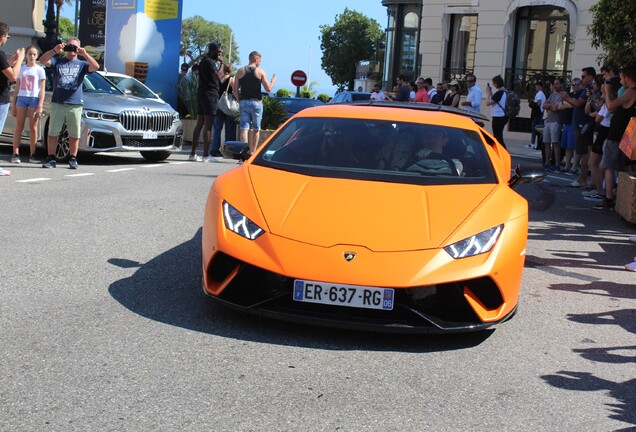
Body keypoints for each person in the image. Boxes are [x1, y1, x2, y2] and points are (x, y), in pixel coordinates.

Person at [38, 37, 99, 169]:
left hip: (75, 103)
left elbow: (95, 66)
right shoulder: (58, 61)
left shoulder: (82, 64)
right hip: (58, 102)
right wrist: (55, 50)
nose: (72, 49)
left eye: (75, 47)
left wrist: (85, 54)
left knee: (74, 133)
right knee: (53, 131)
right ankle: (51, 158)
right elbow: (42, 60)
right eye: (70, 46)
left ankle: (73, 158)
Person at [595, 65, 636, 210]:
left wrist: (606, 92)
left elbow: (611, 107)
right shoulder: (629, 92)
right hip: (625, 134)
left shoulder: (631, 91)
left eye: (623, 77)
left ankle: (608, 197)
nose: (620, 79)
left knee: (609, 166)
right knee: (623, 167)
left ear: (629, 78)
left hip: (617, 134)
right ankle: (620, 196)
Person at [233, 50, 276, 154]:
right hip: (256, 103)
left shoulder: (240, 71)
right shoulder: (260, 72)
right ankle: (252, 152)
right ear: (256, 58)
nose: (260, 63)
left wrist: (240, 100)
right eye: (259, 60)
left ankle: (244, 152)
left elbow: (235, 90)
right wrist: (273, 80)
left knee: (244, 129)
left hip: (244, 102)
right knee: (256, 129)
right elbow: (268, 89)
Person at [561, 67, 596, 188]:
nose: (582, 79)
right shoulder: (585, 89)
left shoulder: (589, 90)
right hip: (581, 124)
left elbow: (578, 103)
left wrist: (566, 97)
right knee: (583, 153)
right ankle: (584, 179)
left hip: (582, 125)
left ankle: (582, 179)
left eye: (583, 76)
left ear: (590, 77)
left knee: (584, 153)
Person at [10, 45, 45, 164]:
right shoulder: (22, 69)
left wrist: (40, 105)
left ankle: (32, 154)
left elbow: (42, 90)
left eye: (34, 54)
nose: (32, 56)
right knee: (19, 127)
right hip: (22, 98)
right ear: (26, 55)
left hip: (34, 98)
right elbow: (17, 88)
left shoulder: (40, 70)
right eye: (30, 53)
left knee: (33, 128)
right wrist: (13, 105)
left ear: (37, 56)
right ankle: (15, 153)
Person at [191, 42, 224, 162]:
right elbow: (218, 77)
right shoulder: (211, 62)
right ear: (213, 51)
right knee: (208, 125)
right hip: (210, 95)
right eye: (219, 52)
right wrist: (222, 66)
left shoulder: (203, 61)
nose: (220, 54)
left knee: (199, 123)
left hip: (201, 94)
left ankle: (193, 153)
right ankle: (206, 155)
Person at [0, 22, 25, 134]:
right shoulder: (0, 54)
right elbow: (13, 76)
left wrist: (9, 62)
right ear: (2, 37)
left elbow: (3, 69)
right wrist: (20, 59)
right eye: (7, 37)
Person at [210, 63, 236, 160]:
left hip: (218, 104)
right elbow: (235, 92)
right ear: (231, 70)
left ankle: (214, 150)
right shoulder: (231, 80)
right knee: (230, 129)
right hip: (227, 106)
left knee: (217, 129)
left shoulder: (218, 79)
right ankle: (229, 150)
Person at [541, 79, 563, 171]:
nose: (555, 86)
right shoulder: (552, 94)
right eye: (554, 84)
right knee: (546, 142)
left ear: (561, 84)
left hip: (556, 121)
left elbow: (555, 108)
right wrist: (550, 105)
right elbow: (544, 105)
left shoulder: (562, 95)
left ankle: (557, 164)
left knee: (555, 143)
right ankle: (547, 162)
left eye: (557, 84)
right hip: (548, 121)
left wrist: (549, 105)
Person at [485, 75, 508, 149]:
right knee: (498, 135)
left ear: (496, 83)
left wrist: (488, 93)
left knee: (497, 137)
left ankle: (503, 152)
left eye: (493, 83)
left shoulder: (499, 93)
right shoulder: (505, 91)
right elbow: (495, 100)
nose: (492, 84)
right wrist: (491, 92)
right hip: (504, 116)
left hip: (498, 117)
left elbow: (487, 103)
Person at [528, 82, 546, 149]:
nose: (535, 87)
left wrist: (531, 104)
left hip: (537, 113)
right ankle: (538, 144)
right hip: (540, 113)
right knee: (538, 128)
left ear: (539, 86)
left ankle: (532, 143)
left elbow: (538, 103)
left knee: (534, 128)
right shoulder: (543, 94)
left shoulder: (539, 94)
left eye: (536, 86)